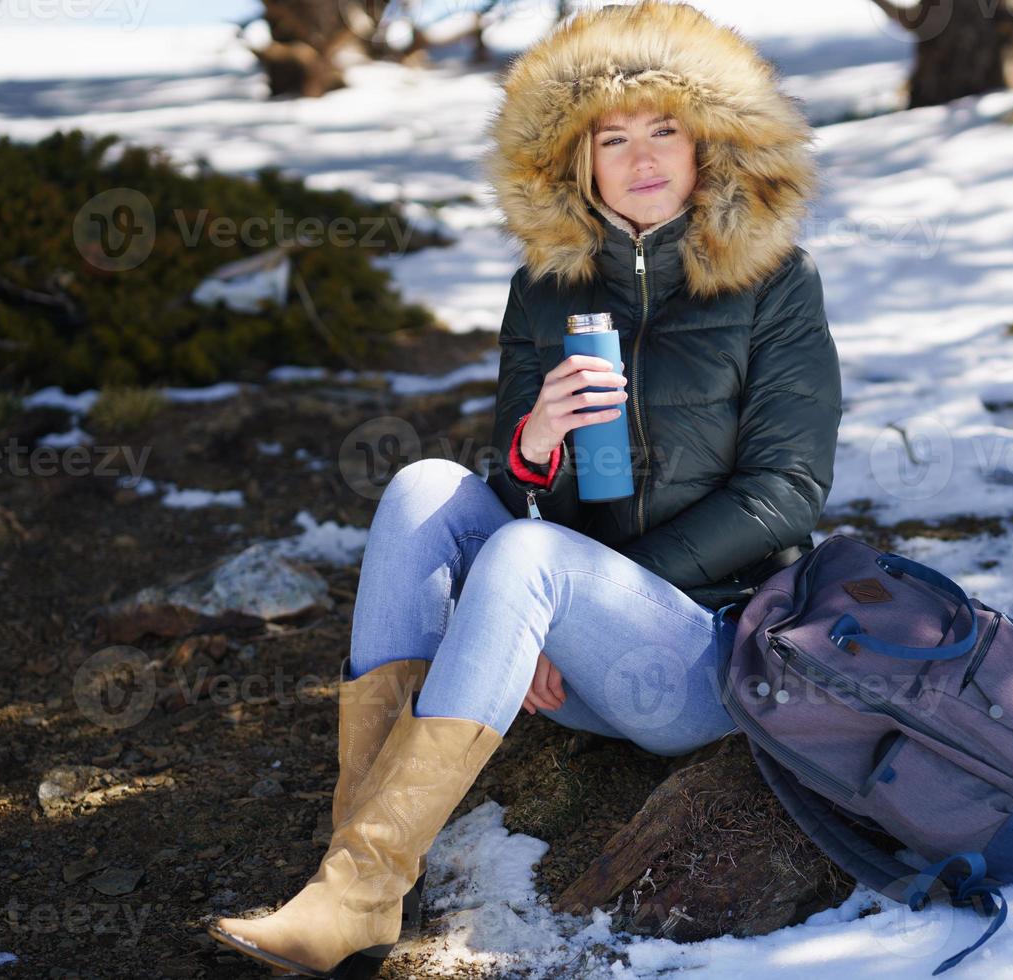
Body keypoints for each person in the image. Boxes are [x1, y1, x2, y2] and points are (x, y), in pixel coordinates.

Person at [207, 1, 841, 975]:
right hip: (557, 646)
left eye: (663, 129)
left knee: (533, 555)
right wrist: (537, 441)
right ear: (575, 161)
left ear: (708, 140)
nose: (639, 158)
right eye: (611, 138)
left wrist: (563, 595)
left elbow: (787, 492)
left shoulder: (775, 284)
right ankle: (355, 876)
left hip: (697, 653)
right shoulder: (547, 288)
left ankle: (363, 884)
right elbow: (514, 487)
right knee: (424, 484)